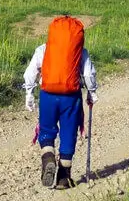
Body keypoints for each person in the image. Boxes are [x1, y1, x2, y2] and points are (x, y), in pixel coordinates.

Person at [23, 15, 98, 189]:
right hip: (71, 97)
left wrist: (29, 94)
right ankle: (64, 178)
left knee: (47, 130)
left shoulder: (43, 49)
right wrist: (92, 93)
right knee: (68, 132)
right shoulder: (81, 52)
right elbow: (88, 74)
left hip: (48, 95)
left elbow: (30, 73)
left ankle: (48, 157)